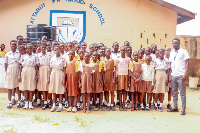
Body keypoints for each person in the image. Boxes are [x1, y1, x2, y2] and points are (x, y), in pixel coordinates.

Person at [167, 38, 189, 115]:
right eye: (173, 43)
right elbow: (170, 65)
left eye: (176, 43)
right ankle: (175, 107)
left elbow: (187, 63)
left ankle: (183, 109)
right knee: (174, 92)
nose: (175, 44)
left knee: (182, 93)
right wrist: (170, 75)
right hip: (173, 75)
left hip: (181, 75)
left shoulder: (183, 52)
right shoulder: (172, 53)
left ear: (179, 43)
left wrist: (185, 74)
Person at [18, 43, 39, 109]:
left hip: (32, 71)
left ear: (33, 49)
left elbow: (36, 66)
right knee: (25, 88)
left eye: (31, 48)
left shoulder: (35, 56)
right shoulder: (23, 56)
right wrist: (19, 75)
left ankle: (30, 103)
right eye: (28, 48)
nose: (29, 50)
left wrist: (37, 75)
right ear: (26, 49)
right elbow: (21, 66)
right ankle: (26, 103)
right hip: (24, 71)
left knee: (31, 89)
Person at [48, 45, 66, 112]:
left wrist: (64, 78)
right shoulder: (52, 58)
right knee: (53, 90)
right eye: (55, 50)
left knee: (60, 90)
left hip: (60, 73)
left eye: (57, 50)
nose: (56, 51)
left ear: (60, 50)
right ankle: (54, 105)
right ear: (53, 51)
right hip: (53, 73)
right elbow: (50, 68)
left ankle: (60, 105)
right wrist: (49, 77)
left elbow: (64, 69)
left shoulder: (63, 58)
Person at [5, 40, 20, 109]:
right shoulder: (7, 54)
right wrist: (7, 71)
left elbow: (20, 63)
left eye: (14, 45)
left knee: (18, 86)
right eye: (12, 45)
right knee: (10, 87)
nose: (13, 46)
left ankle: (19, 102)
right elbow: (5, 63)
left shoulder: (19, 53)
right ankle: (10, 102)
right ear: (10, 45)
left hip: (17, 68)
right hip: (10, 69)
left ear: (16, 46)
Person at [37, 42, 51, 110]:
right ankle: (45, 102)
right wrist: (37, 74)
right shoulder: (38, 55)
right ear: (40, 48)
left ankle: (49, 101)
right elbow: (37, 65)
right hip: (41, 70)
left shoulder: (49, 55)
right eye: (42, 48)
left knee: (48, 87)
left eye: (45, 48)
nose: (44, 49)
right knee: (43, 87)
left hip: (48, 69)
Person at [116, 46, 130, 111]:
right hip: (119, 76)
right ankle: (120, 104)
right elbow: (116, 69)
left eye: (124, 50)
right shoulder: (118, 59)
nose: (123, 52)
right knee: (119, 91)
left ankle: (124, 104)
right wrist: (116, 77)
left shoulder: (128, 59)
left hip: (126, 76)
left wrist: (129, 77)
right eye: (122, 50)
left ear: (126, 51)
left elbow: (129, 68)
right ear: (120, 51)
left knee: (125, 90)